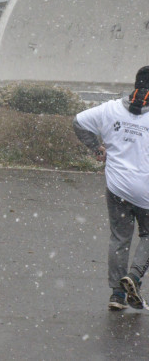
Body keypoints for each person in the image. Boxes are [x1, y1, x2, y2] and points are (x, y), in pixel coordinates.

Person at [74, 66, 149, 311]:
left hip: (117, 188)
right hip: (146, 190)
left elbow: (79, 122)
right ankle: (134, 278)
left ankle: (117, 294)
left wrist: (96, 148)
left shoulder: (111, 109)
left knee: (120, 238)